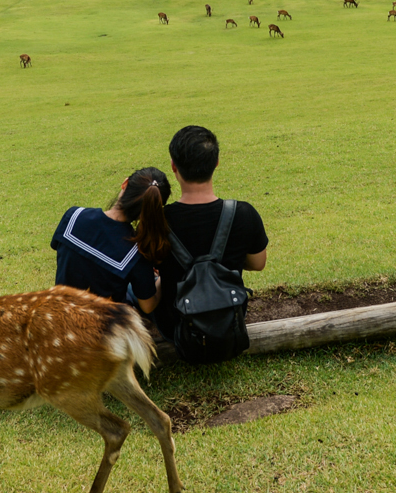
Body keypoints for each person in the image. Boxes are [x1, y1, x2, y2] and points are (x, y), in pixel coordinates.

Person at [153, 125, 267, 340]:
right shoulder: (244, 214)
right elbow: (258, 263)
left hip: (176, 327)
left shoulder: (157, 220)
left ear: (173, 166)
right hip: (230, 320)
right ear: (216, 162)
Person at [52, 168, 171, 312]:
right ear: (153, 209)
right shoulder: (136, 253)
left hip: (58, 315)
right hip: (101, 327)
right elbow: (148, 306)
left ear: (125, 183)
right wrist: (164, 278)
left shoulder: (73, 216)